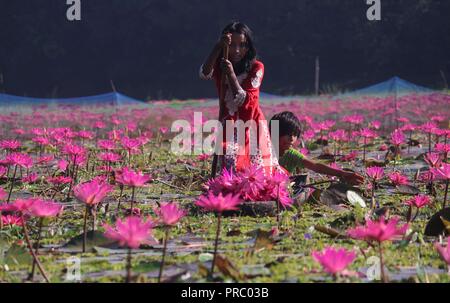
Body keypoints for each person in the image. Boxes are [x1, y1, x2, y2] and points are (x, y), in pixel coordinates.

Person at [199, 21, 279, 175]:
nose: (236, 50)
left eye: (242, 45)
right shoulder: (220, 63)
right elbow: (204, 73)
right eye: (232, 45)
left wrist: (230, 75)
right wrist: (217, 47)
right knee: (227, 157)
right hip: (228, 121)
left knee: (254, 172)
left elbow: (245, 99)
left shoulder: (257, 67)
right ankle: (227, 188)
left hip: (250, 122)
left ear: (248, 47)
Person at [269, 111, 364, 185]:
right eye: (288, 134)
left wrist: (341, 174)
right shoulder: (264, 152)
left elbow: (315, 166)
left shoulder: (292, 154)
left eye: (295, 135)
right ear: (275, 132)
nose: (292, 139)